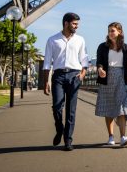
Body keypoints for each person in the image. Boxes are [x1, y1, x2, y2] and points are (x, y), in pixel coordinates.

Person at [43, 12, 88, 151]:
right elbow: (46, 63)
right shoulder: (52, 40)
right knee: (57, 106)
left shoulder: (80, 39)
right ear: (66, 23)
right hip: (58, 76)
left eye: (77, 24)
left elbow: (84, 60)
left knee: (71, 110)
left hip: (74, 76)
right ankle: (59, 129)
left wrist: (82, 75)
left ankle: (68, 140)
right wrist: (46, 82)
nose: (76, 26)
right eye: (74, 24)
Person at [95, 22, 127, 147]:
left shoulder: (125, 47)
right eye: (109, 30)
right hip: (107, 77)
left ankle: (123, 136)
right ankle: (111, 137)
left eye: (113, 30)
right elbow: (99, 62)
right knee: (109, 107)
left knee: (122, 107)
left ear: (119, 32)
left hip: (121, 77)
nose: (110, 33)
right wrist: (100, 70)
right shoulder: (102, 46)